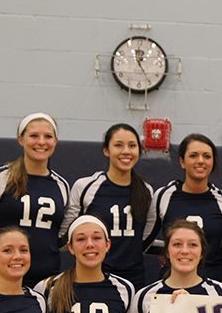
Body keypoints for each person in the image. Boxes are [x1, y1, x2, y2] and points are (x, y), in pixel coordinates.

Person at [62, 123, 156, 288]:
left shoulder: (146, 191)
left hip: (133, 278)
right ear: (106, 150)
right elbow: (68, 231)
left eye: (132, 146)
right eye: (118, 145)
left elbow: (146, 236)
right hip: (93, 276)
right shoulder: (85, 187)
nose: (126, 151)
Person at [0, 112, 69, 286]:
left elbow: (61, 235)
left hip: (47, 280)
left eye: (48, 136)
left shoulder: (62, 185)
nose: (41, 142)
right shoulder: (0, 177)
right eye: (33, 136)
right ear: (20, 139)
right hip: (7, 279)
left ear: (55, 141)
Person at [148, 134, 222, 282]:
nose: (201, 161)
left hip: (213, 283)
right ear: (182, 161)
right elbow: (145, 239)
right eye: (193, 155)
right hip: (172, 283)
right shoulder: (164, 195)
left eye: (207, 156)